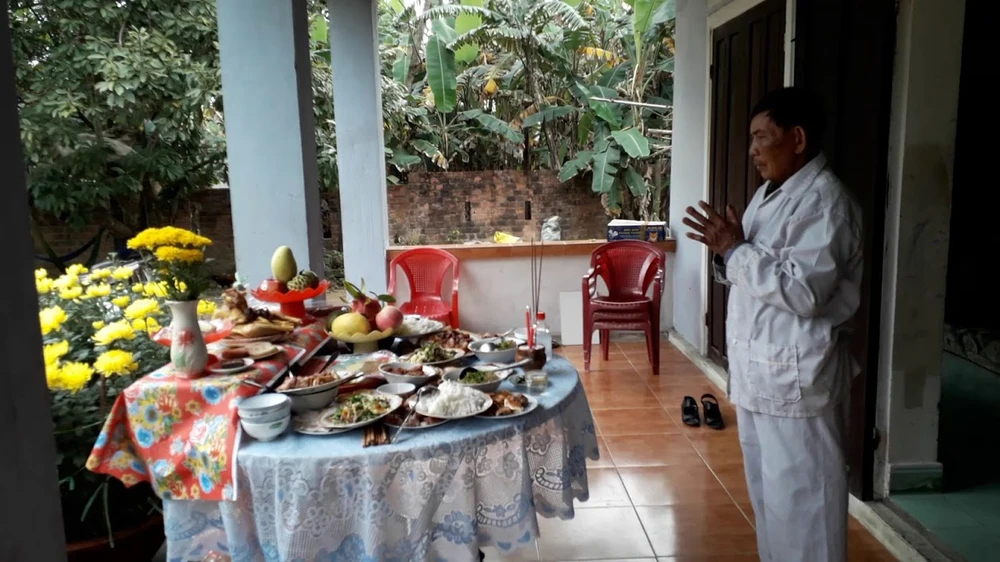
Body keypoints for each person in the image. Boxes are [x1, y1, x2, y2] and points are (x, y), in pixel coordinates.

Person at [682, 87, 863, 562]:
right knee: (772, 508)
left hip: (798, 385)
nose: (753, 151)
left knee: (807, 515)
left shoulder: (827, 203)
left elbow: (804, 292)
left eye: (762, 137)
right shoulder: (770, 195)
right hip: (762, 377)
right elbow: (754, 270)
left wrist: (735, 251)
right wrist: (728, 253)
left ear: (797, 138)